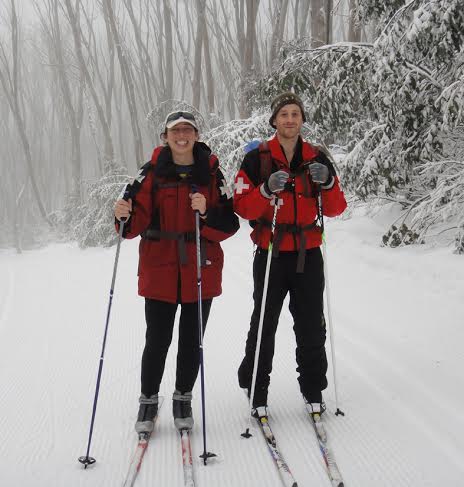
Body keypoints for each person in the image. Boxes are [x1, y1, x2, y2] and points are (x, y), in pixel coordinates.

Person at [114, 111, 239, 433]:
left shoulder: (212, 172)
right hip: (160, 268)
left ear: (196, 135)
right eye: (175, 131)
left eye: (187, 130)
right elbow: (131, 227)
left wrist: (206, 212)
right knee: (157, 339)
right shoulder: (150, 172)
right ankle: (148, 401)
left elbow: (230, 224)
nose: (181, 136)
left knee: (192, 341)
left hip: (200, 267)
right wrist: (123, 215)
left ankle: (183, 398)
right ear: (165, 137)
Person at [233, 92, 347, 419]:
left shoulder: (317, 157)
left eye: (295, 114)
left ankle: (313, 389)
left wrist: (328, 184)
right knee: (264, 323)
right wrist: (265, 189)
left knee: (311, 325)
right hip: (271, 252)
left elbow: (336, 208)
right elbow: (241, 207)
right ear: (274, 120)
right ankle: (256, 389)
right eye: (284, 114)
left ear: (302, 119)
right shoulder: (257, 159)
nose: (290, 119)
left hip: (308, 253)